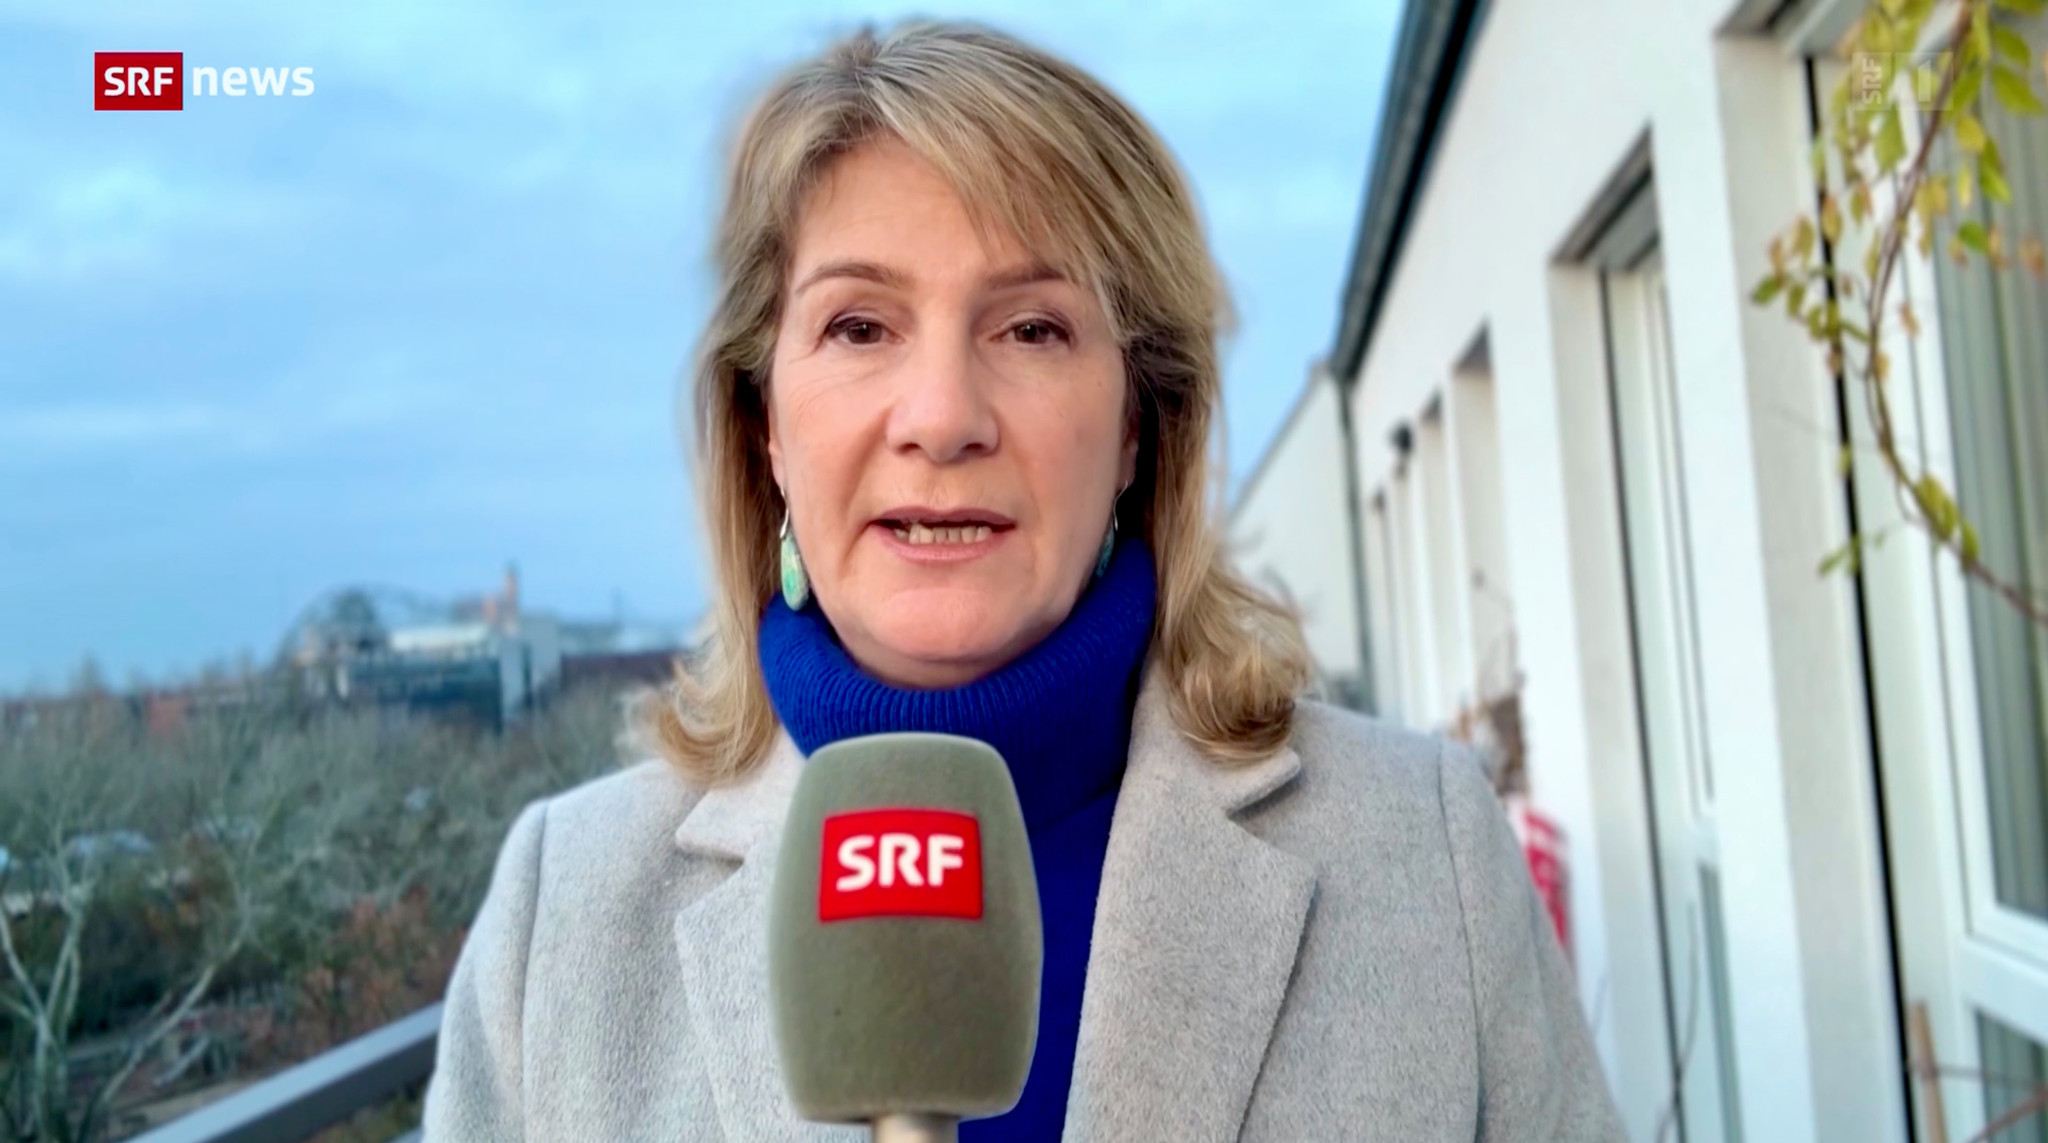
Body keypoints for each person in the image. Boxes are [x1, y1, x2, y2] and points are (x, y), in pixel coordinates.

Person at [421, 20, 1624, 1142]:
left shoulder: (1425, 852)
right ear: (764, 431)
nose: (941, 419)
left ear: (1139, 430)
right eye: (857, 327)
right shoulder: (560, 912)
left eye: (1033, 329)